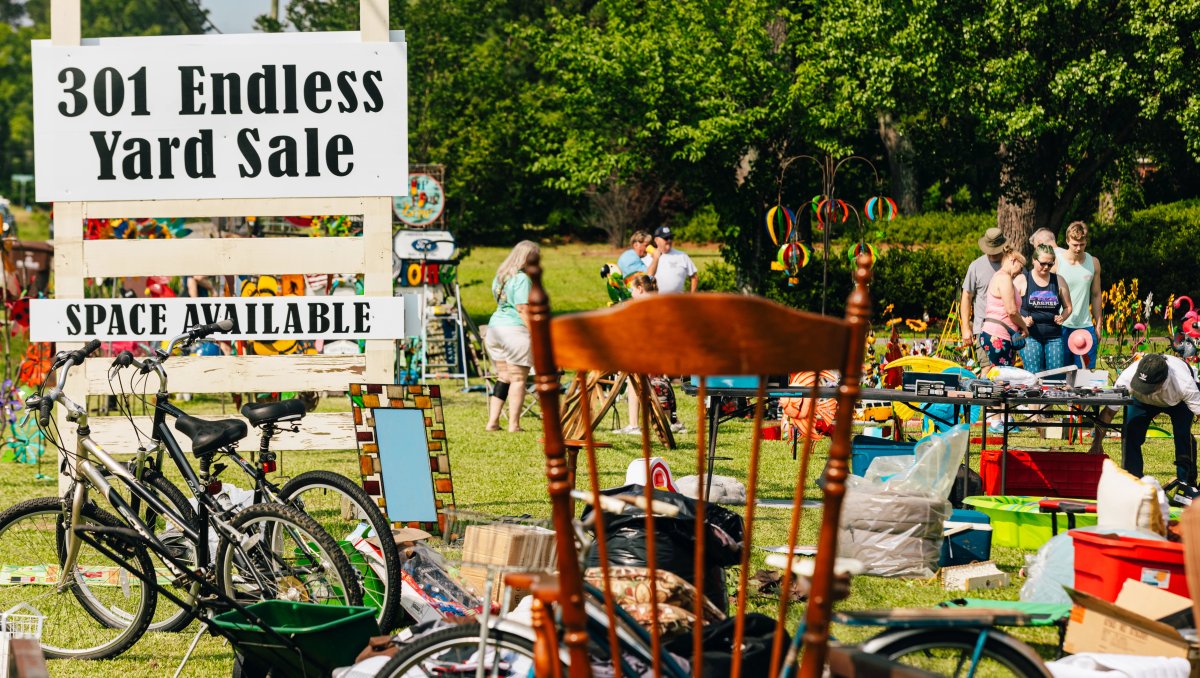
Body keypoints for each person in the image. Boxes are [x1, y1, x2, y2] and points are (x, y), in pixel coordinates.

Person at [1091, 353, 1200, 503]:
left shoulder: (1184, 383)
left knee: (1182, 435)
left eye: (1148, 387)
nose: (1144, 388)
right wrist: (1096, 443)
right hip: (1142, 401)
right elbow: (1109, 412)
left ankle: (1186, 484)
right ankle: (1134, 481)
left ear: (1162, 382)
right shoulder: (1127, 377)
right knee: (1130, 432)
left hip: (1179, 402)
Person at [484, 240, 539, 432]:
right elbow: (523, 309)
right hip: (514, 332)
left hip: (494, 330)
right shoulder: (522, 279)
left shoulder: (501, 276)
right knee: (518, 379)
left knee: (503, 376)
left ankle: (493, 421)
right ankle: (514, 424)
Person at [1013, 244, 1073, 373]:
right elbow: (1010, 307)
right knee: (1034, 374)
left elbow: (1068, 307)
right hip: (1030, 336)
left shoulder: (1059, 280)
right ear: (1034, 260)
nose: (1046, 267)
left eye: (1050, 264)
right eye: (1043, 263)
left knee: (1055, 376)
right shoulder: (1022, 279)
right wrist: (1022, 319)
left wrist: (1062, 317)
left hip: (1054, 337)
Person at [1056, 221, 1103, 368]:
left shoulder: (1093, 262)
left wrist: (1099, 325)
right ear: (1067, 241)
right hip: (1061, 325)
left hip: (1085, 326)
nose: (1078, 248)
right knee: (1061, 377)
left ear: (1086, 241)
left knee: (1085, 376)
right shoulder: (1057, 263)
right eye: (1074, 244)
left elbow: (1096, 295)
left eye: (1082, 244)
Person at [960, 227, 1009, 367]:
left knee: (1005, 373)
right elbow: (967, 296)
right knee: (986, 368)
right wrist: (965, 327)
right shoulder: (976, 266)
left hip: (1008, 330)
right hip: (983, 330)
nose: (992, 254)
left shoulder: (1012, 265)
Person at [979, 248, 1031, 367]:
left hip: (998, 333)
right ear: (1013, 260)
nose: (1021, 272)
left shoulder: (1000, 276)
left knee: (999, 375)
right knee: (1002, 378)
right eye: (1021, 267)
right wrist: (1024, 327)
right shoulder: (1004, 278)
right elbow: (1011, 311)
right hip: (998, 335)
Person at [642, 226, 697, 294]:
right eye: (666, 238)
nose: (669, 240)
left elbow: (694, 277)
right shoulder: (648, 258)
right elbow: (646, 279)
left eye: (671, 237)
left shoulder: (682, 256)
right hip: (657, 301)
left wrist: (692, 296)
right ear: (656, 240)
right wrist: (656, 258)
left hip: (678, 300)